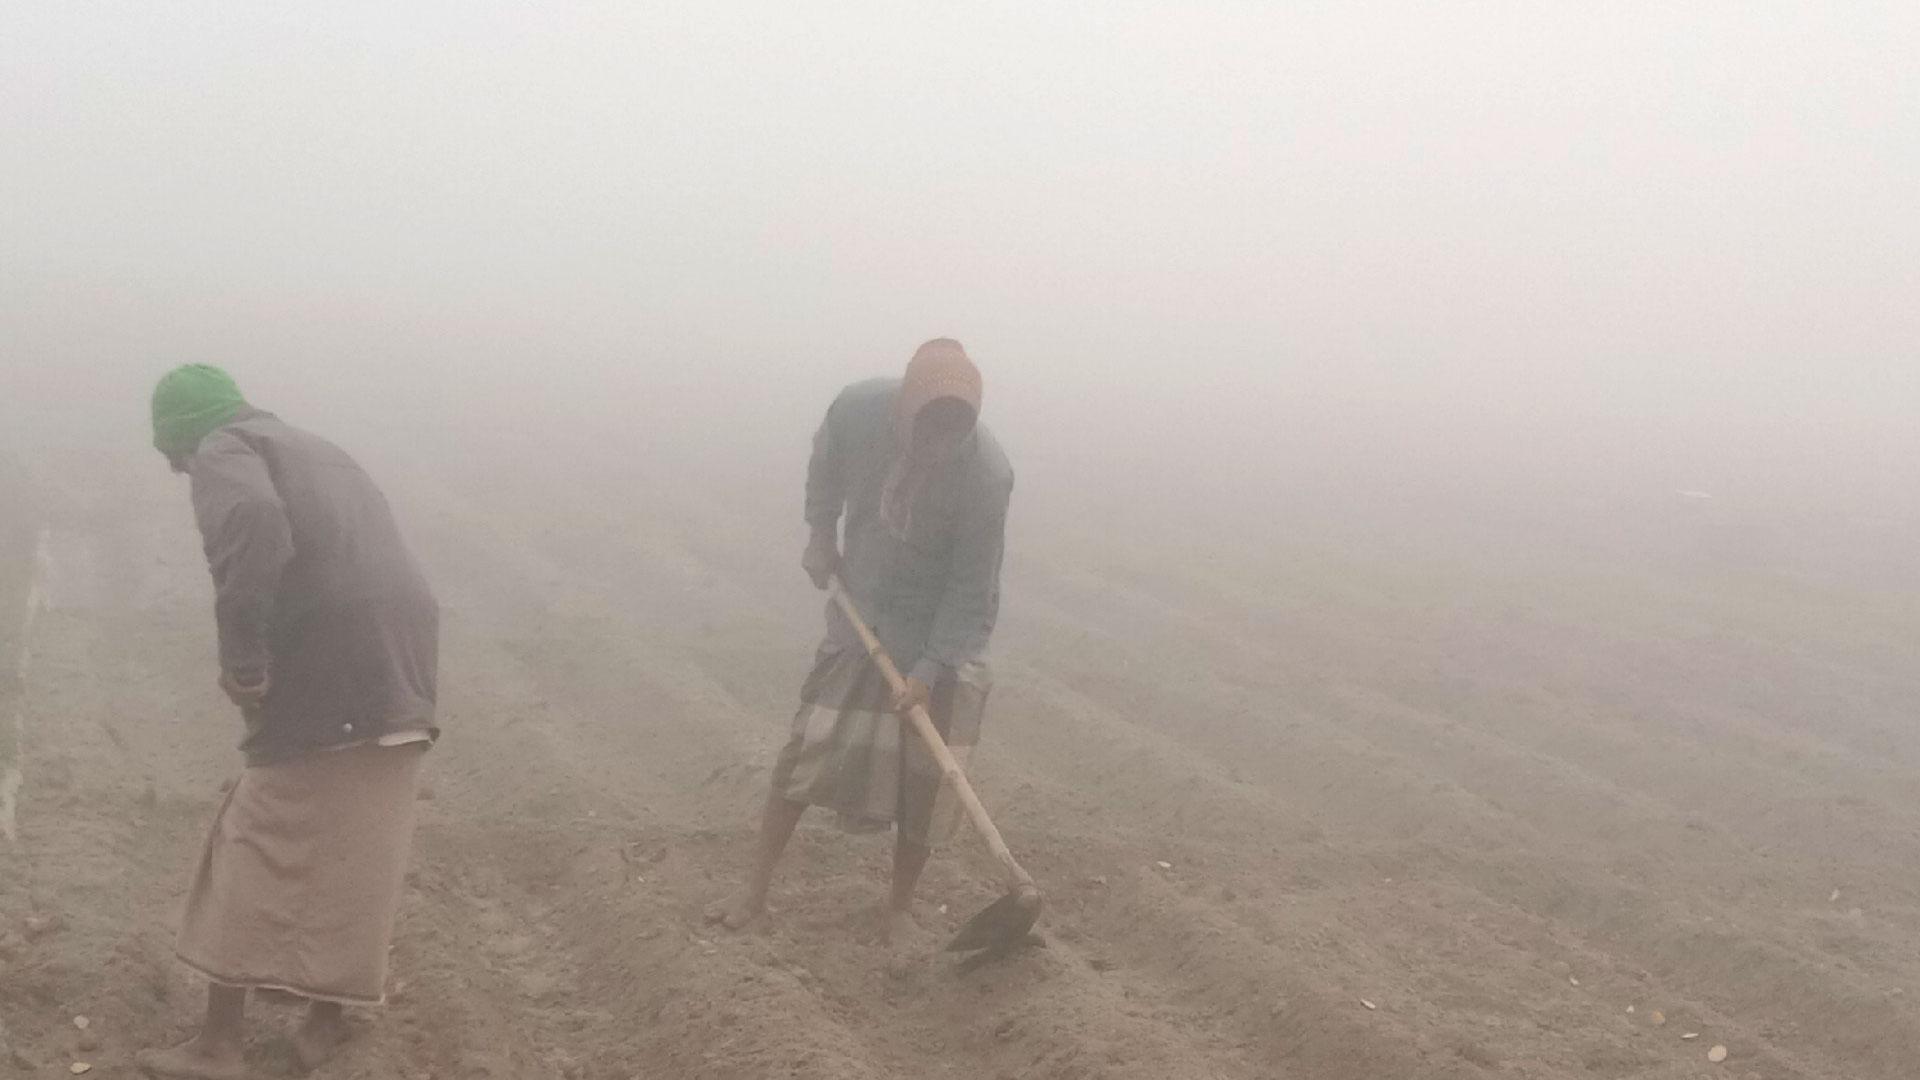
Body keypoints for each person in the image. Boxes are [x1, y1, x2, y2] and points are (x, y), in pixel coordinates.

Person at [137, 365, 440, 1080]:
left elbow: (254, 519)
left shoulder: (223, 449)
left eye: (173, 457)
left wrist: (245, 662)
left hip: (332, 674)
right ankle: (321, 1025)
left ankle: (218, 1046)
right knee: (359, 847)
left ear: (186, 432)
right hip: (405, 672)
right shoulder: (314, 448)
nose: (183, 471)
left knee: (255, 837)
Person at [709, 338, 1013, 944]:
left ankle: (898, 910)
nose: (937, 445)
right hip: (864, 608)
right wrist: (821, 532)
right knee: (807, 752)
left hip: (942, 633)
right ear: (904, 409)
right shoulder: (856, 411)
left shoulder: (985, 476)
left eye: (952, 432)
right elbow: (825, 467)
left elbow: (970, 586)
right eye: (928, 428)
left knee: (929, 783)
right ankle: (755, 892)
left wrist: (929, 670)